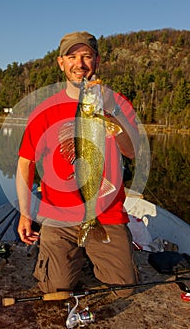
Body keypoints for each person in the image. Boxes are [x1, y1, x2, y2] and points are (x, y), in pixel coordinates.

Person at [16, 31, 139, 296]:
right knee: (55, 290)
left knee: (124, 290)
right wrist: (26, 213)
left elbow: (132, 151)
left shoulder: (117, 104)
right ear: (61, 62)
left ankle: (92, 250)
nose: (79, 64)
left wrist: (108, 112)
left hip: (107, 214)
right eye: (72, 57)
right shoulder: (44, 109)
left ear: (97, 61)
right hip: (59, 216)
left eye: (86, 56)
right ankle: (71, 260)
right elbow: (25, 163)